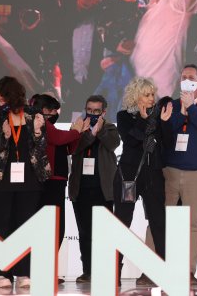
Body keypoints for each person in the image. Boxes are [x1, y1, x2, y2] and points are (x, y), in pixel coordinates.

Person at [0, 76, 50, 289]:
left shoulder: (32, 115)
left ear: (13, 96)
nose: (0, 104)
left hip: (29, 178)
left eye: (3, 99)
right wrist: (4, 135)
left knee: (25, 225)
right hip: (2, 178)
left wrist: (39, 132)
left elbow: (40, 149)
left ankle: (23, 272)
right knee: (1, 222)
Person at [162, 64, 197, 285]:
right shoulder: (171, 105)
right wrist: (182, 111)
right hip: (170, 171)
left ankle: (188, 270)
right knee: (161, 220)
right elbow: (167, 133)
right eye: (184, 77)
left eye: (192, 78)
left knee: (193, 223)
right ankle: (152, 266)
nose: (187, 80)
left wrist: (192, 108)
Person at [114, 78, 172, 284]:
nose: (151, 99)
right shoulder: (124, 116)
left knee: (159, 222)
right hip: (129, 176)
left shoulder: (159, 116)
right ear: (136, 96)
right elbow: (132, 139)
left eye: (152, 95)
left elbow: (167, 143)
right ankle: (113, 270)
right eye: (146, 95)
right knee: (122, 221)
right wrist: (143, 118)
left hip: (153, 175)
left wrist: (162, 123)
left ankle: (162, 270)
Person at [29, 93, 83, 284]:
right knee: (50, 228)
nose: (55, 113)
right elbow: (59, 139)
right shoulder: (40, 124)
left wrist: (75, 133)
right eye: (51, 110)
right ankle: (40, 271)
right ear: (42, 110)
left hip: (57, 181)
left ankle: (46, 269)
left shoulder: (50, 126)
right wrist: (76, 131)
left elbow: (68, 147)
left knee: (56, 228)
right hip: (47, 182)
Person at [69, 95, 120, 284]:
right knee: (85, 233)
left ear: (104, 112)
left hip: (103, 189)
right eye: (89, 110)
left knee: (103, 233)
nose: (91, 114)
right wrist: (86, 132)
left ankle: (104, 270)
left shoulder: (110, 128)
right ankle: (88, 271)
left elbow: (114, 144)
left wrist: (99, 132)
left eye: (96, 111)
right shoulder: (78, 126)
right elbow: (74, 148)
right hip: (81, 189)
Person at [93, 0, 146, 118]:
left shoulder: (143, 8)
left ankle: (123, 116)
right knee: (111, 85)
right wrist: (118, 45)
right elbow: (102, 31)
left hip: (134, 56)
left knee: (129, 88)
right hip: (113, 52)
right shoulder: (111, 7)